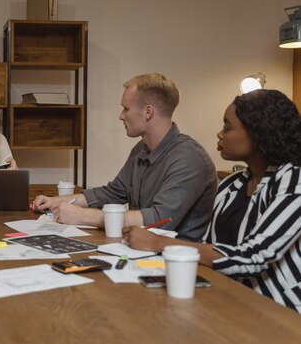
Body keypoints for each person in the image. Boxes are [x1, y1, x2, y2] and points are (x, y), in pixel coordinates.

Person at [124, 89, 301, 312]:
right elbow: (209, 246)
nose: (220, 134)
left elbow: (252, 257)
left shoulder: (293, 181)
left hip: (280, 311)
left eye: (227, 127)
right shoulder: (232, 184)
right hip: (228, 299)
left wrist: (157, 242)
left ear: (258, 133)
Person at [34, 73, 217, 241]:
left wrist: (83, 216)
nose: (121, 116)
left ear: (148, 112)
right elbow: (112, 193)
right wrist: (57, 201)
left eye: (126, 109)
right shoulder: (141, 149)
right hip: (139, 251)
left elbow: (159, 219)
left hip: (175, 262)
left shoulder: (189, 159)